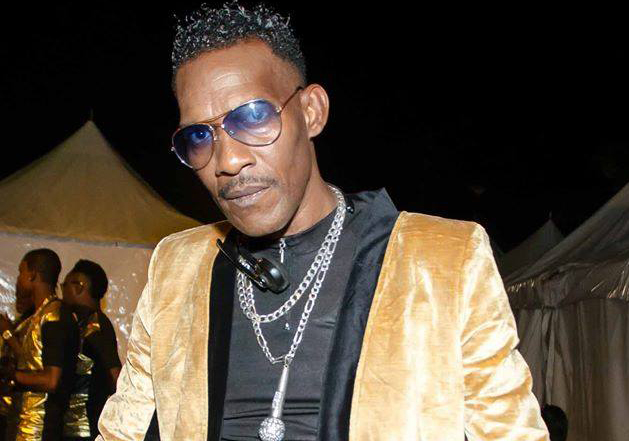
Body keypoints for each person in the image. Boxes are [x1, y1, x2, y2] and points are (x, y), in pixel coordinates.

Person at [98, 3, 549, 440]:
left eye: (252, 117)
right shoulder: (176, 268)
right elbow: (122, 431)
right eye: (200, 136)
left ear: (311, 111)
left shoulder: (444, 260)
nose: (228, 160)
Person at [0, 249, 80, 441]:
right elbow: (31, 361)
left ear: (32, 275)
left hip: (39, 429)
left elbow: (51, 380)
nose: (18, 279)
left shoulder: (54, 317)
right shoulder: (37, 317)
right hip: (22, 424)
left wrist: (13, 375)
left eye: (21, 272)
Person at [61, 260, 121, 440]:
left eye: (65, 285)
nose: (62, 291)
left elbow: (116, 375)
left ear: (79, 287)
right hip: (75, 426)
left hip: (84, 428)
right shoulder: (83, 322)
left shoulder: (95, 326)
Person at [0, 272, 35, 440]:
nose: (18, 300)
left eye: (24, 297)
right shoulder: (20, 323)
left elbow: (27, 360)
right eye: (17, 296)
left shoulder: (34, 325)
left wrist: (7, 333)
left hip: (21, 409)